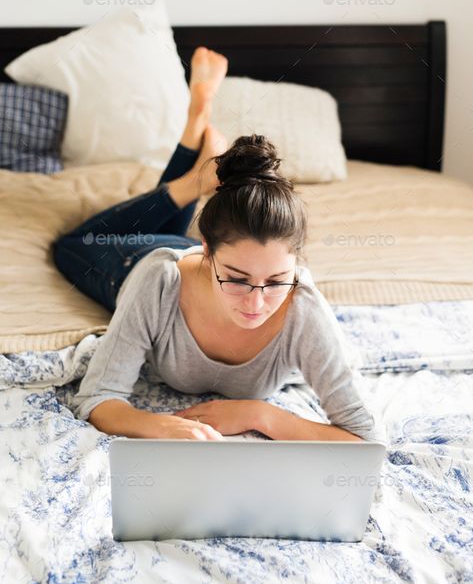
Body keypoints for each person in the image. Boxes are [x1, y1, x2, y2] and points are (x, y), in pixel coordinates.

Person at [54, 47, 386, 445]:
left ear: (296, 264)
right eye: (238, 280)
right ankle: (194, 182)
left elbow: (366, 437)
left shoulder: (304, 309)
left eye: (277, 280)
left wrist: (261, 414)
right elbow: (96, 398)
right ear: (207, 252)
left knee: (197, 246)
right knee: (74, 244)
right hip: (135, 262)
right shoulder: (158, 282)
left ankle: (195, 140)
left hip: (207, 248)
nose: (256, 302)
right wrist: (164, 426)